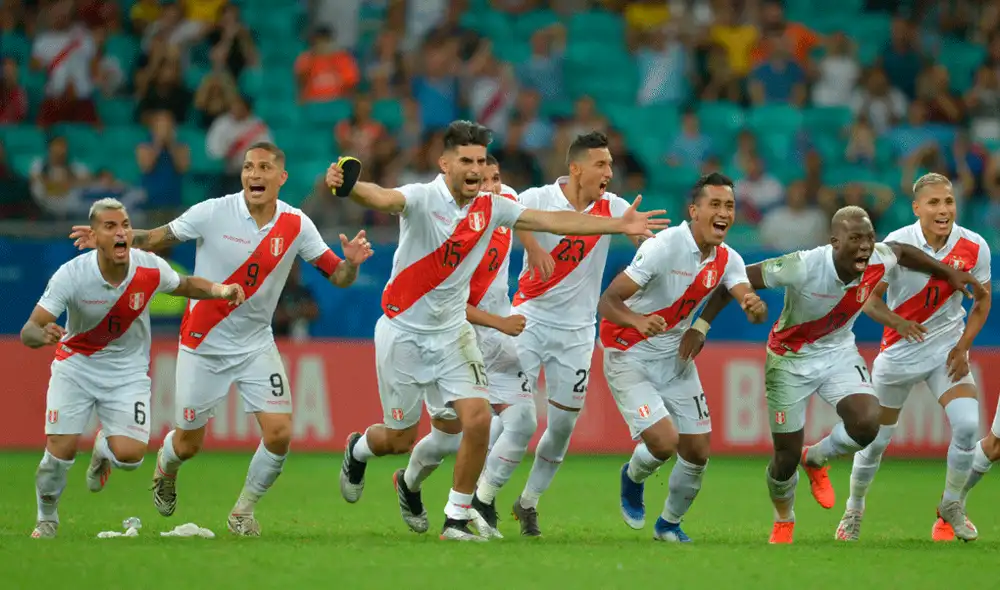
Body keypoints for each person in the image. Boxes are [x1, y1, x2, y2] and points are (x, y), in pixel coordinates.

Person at [325, 120, 668, 542]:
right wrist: (348, 187)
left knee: (478, 420)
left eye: (482, 161)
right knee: (398, 438)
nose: (475, 170)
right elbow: (380, 195)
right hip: (403, 333)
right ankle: (359, 449)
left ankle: (456, 515)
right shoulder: (420, 198)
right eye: (466, 161)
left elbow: (553, 221)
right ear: (445, 163)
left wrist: (616, 225)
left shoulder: (493, 206)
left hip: (454, 334)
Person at [68, 142, 373, 536]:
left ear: (281, 178)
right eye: (248, 167)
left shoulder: (296, 224)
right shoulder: (213, 211)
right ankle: (166, 466)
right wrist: (113, 241)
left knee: (280, 434)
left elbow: (339, 277)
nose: (254, 175)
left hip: (255, 344)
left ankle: (242, 511)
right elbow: (156, 237)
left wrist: (349, 263)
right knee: (189, 444)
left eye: (264, 168)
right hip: (203, 343)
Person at [683, 205, 986, 544]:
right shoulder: (803, 265)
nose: (864, 247)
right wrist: (701, 325)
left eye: (869, 238)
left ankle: (816, 457)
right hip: (789, 360)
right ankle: (784, 518)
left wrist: (948, 273)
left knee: (868, 422)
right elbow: (733, 279)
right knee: (784, 458)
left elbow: (902, 252)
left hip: (838, 352)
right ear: (834, 241)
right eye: (855, 239)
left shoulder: (877, 258)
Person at [23, 198, 245, 539]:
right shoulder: (72, 275)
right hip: (76, 367)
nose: (120, 232)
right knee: (60, 450)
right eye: (110, 227)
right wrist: (43, 334)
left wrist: (220, 289)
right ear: (95, 235)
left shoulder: (148, 267)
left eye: (125, 225)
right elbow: (30, 329)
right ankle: (47, 517)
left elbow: (185, 286)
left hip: (127, 373)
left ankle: (102, 448)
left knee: (130, 457)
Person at [599, 173, 767, 542]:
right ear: (694, 210)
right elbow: (608, 302)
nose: (723, 213)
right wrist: (638, 320)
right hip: (629, 352)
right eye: (715, 205)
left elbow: (742, 293)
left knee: (698, 450)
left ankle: (669, 524)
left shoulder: (728, 258)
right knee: (663, 442)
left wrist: (751, 307)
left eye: (729, 206)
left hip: (674, 358)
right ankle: (632, 477)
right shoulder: (664, 247)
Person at [838, 173, 991, 542]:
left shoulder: (974, 245)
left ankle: (952, 504)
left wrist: (963, 345)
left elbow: (982, 299)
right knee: (874, 442)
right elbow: (870, 301)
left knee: (969, 426)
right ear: (917, 208)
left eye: (949, 202)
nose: (944, 210)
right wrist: (898, 321)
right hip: (899, 354)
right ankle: (854, 509)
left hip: (945, 350)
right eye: (935, 203)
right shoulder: (895, 245)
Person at [506, 130, 641, 537]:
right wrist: (531, 245)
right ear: (576, 168)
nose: (609, 172)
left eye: (611, 164)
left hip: (578, 333)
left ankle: (527, 502)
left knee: (562, 427)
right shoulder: (537, 198)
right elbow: (511, 217)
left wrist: (639, 237)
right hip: (528, 318)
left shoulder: (614, 208)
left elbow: (638, 236)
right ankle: (477, 498)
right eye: (601, 164)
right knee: (509, 417)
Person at [390, 154, 529, 539]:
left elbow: (530, 218)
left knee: (519, 420)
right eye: (485, 180)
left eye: (497, 178)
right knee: (448, 438)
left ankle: (474, 504)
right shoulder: (450, 230)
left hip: (497, 337)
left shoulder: (504, 204)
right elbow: (448, 301)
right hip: (453, 333)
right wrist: (500, 321)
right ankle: (410, 482)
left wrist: (536, 247)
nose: (493, 186)